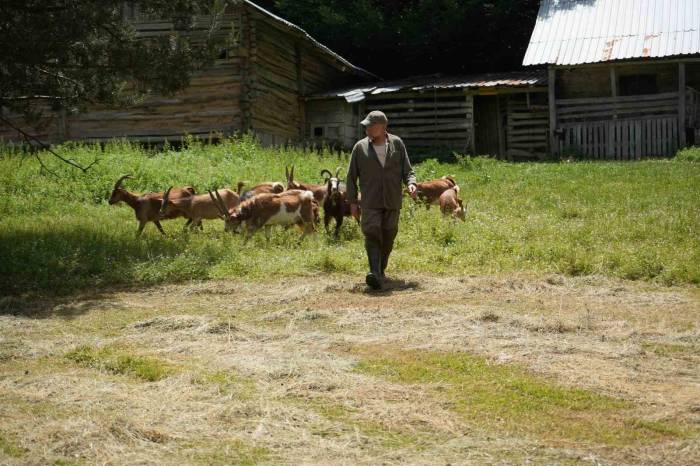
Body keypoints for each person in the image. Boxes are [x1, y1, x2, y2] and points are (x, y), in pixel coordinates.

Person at [346, 110, 417, 290]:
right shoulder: (360, 148)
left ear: (382, 126)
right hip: (370, 201)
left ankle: (380, 270)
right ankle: (374, 273)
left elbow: (408, 171)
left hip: (392, 200)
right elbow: (351, 176)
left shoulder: (397, 144)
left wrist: (411, 184)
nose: (367, 128)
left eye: (370, 125)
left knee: (389, 234)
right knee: (371, 233)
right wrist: (353, 202)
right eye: (366, 125)